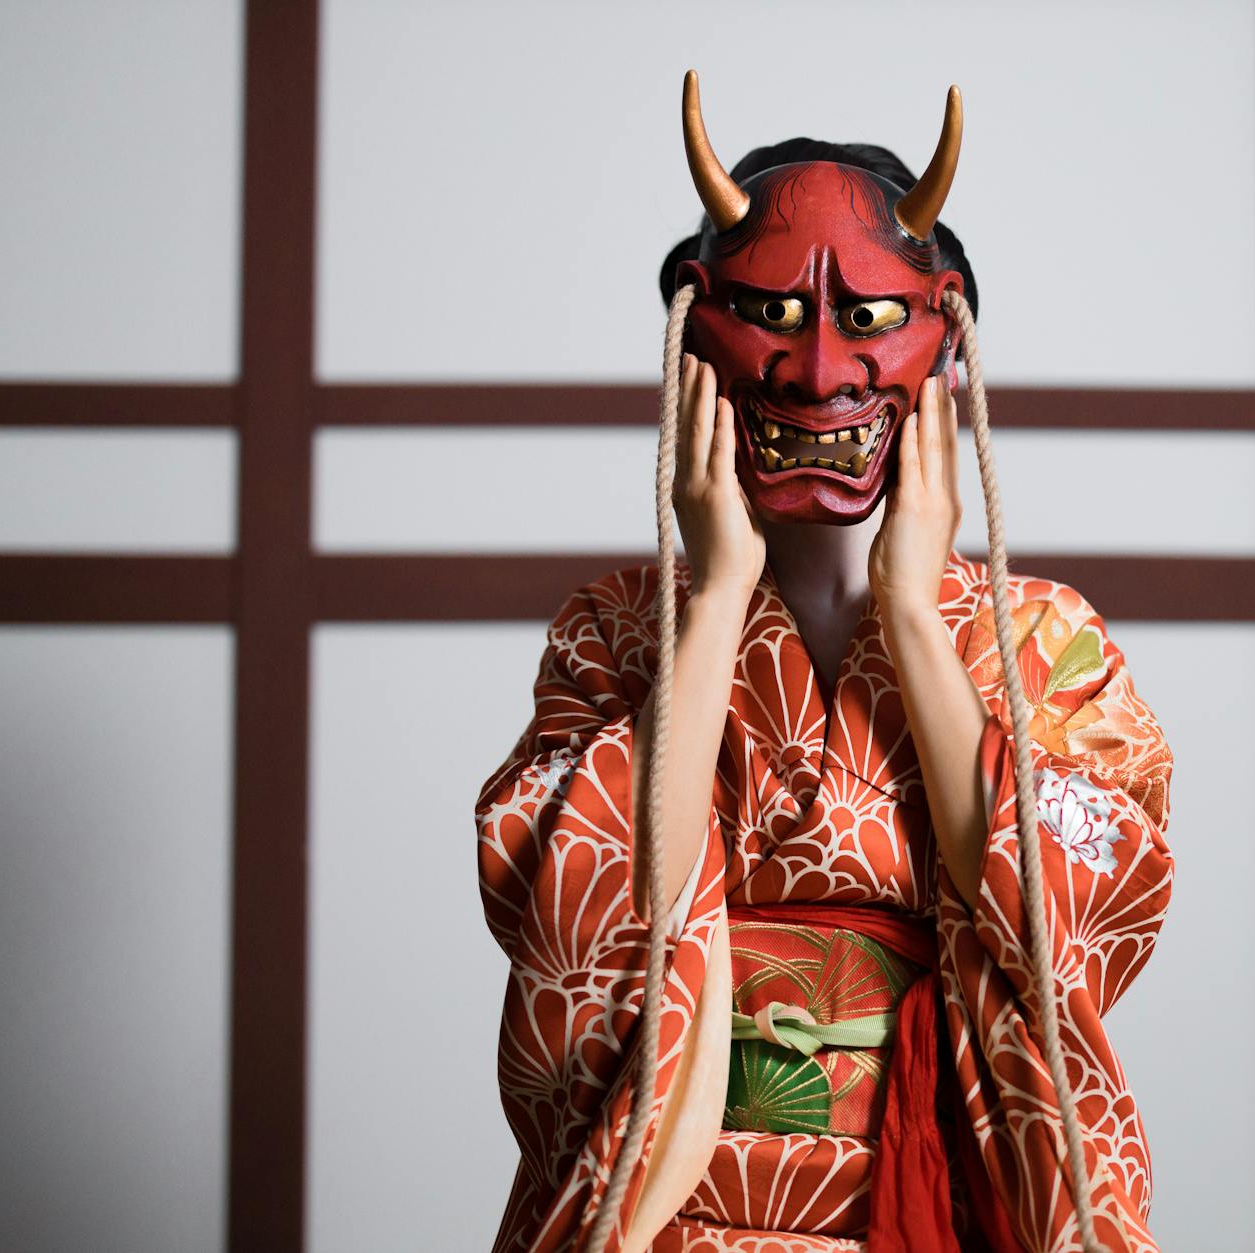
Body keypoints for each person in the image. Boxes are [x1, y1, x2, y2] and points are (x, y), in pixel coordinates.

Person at [476, 73, 1175, 1252]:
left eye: (866, 321)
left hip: (934, 1187)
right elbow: (578, 904)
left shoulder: (1045, 637)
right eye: (771, 316)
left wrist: (913, 602)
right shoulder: (613, 628)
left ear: (944, 339)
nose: (814, 372)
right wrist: (710, 610)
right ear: (695, 332)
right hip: (684, 1205)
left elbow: (1073, 911)